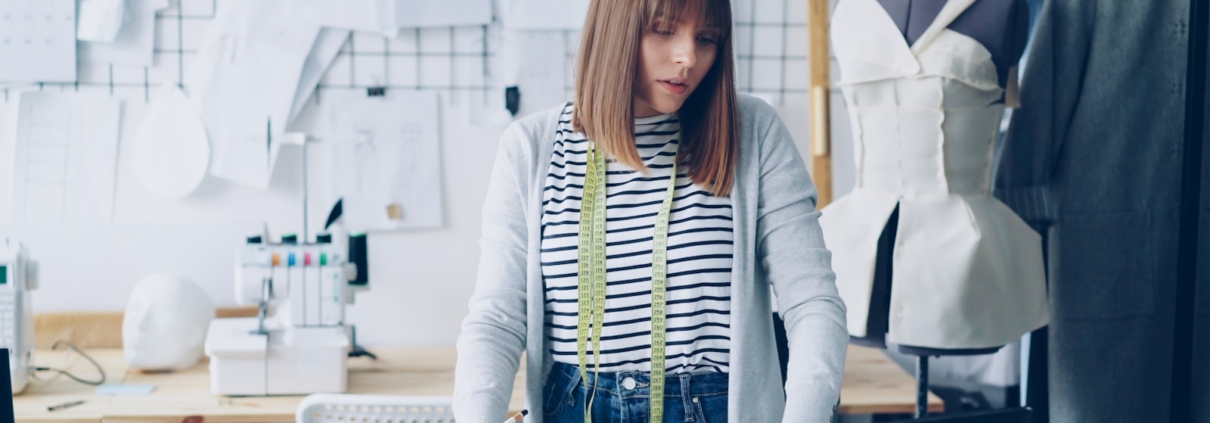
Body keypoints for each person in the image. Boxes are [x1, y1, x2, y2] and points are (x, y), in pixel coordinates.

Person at [453, 0, 847, 421]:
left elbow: (813, 303)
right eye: (664, 30)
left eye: (707, 39)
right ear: (614, 29)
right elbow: (497, 318)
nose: (689, 58)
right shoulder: (530, 148)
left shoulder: (752, 133)